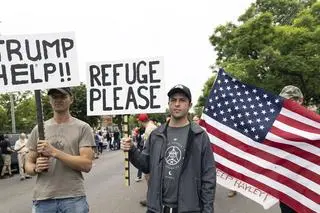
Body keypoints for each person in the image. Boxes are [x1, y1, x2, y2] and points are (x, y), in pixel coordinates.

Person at [122, 84, 216, 213]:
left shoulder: (199, 136)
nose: (177, 104)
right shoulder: (156, 135)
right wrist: (132, 149)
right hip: (158, 208)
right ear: (169, 104)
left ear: (189, 105)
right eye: (173, 100)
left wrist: (208, 209)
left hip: (189, 208)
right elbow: (145, 165)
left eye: (182, 100)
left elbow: (208, 177)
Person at [25, 87, 95, 213]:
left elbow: (86, 164)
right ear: (50, 100)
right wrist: (35, 168)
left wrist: (54, 152)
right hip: (43, 198)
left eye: (62, 96)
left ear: (71, 99)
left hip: (73, 197)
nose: (58, 100)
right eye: (54, 97)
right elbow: (28, 164)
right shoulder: (39, 129)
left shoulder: (83, 127)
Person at [278, 85, 303, 213]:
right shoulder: (278, 124)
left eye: (293, 100)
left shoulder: (313, 123)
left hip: (309, 186)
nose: (289, 104)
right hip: (286, 188)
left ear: (301, 100)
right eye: (286, 101)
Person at [136, 113, 158, 207]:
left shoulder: (150, 129)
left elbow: (151, 145)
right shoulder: (151, 127)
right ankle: (151, 198)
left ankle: (152, 199)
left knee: (149, 177)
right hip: (151, 155)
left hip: (151, 156)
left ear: (141, 121)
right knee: (148, 177)